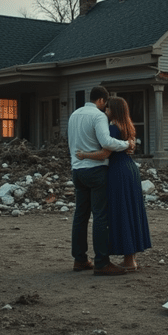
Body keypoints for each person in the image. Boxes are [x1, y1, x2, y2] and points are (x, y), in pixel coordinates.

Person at [76, 96, 152, 272]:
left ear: (114, 110)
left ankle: (129, 261)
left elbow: (105, 154)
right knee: (131, 211)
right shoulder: (128, 126)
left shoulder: (112, 128)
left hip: (118, 172)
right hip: (130, 170)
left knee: (122, 212)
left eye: (108, 108)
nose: (105, 111)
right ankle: (131, 258)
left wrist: (84, 155)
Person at [68, 86, 134, 276]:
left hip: (77, 170)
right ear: (101, 100)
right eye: (105, 104)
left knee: (80, 216)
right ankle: (102, 262)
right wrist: (126, 144)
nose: (105, 108)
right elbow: (106, 142)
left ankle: (80, 259)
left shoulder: (74, 115)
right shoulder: (98, 116)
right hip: (96, 170)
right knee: (100, 216)